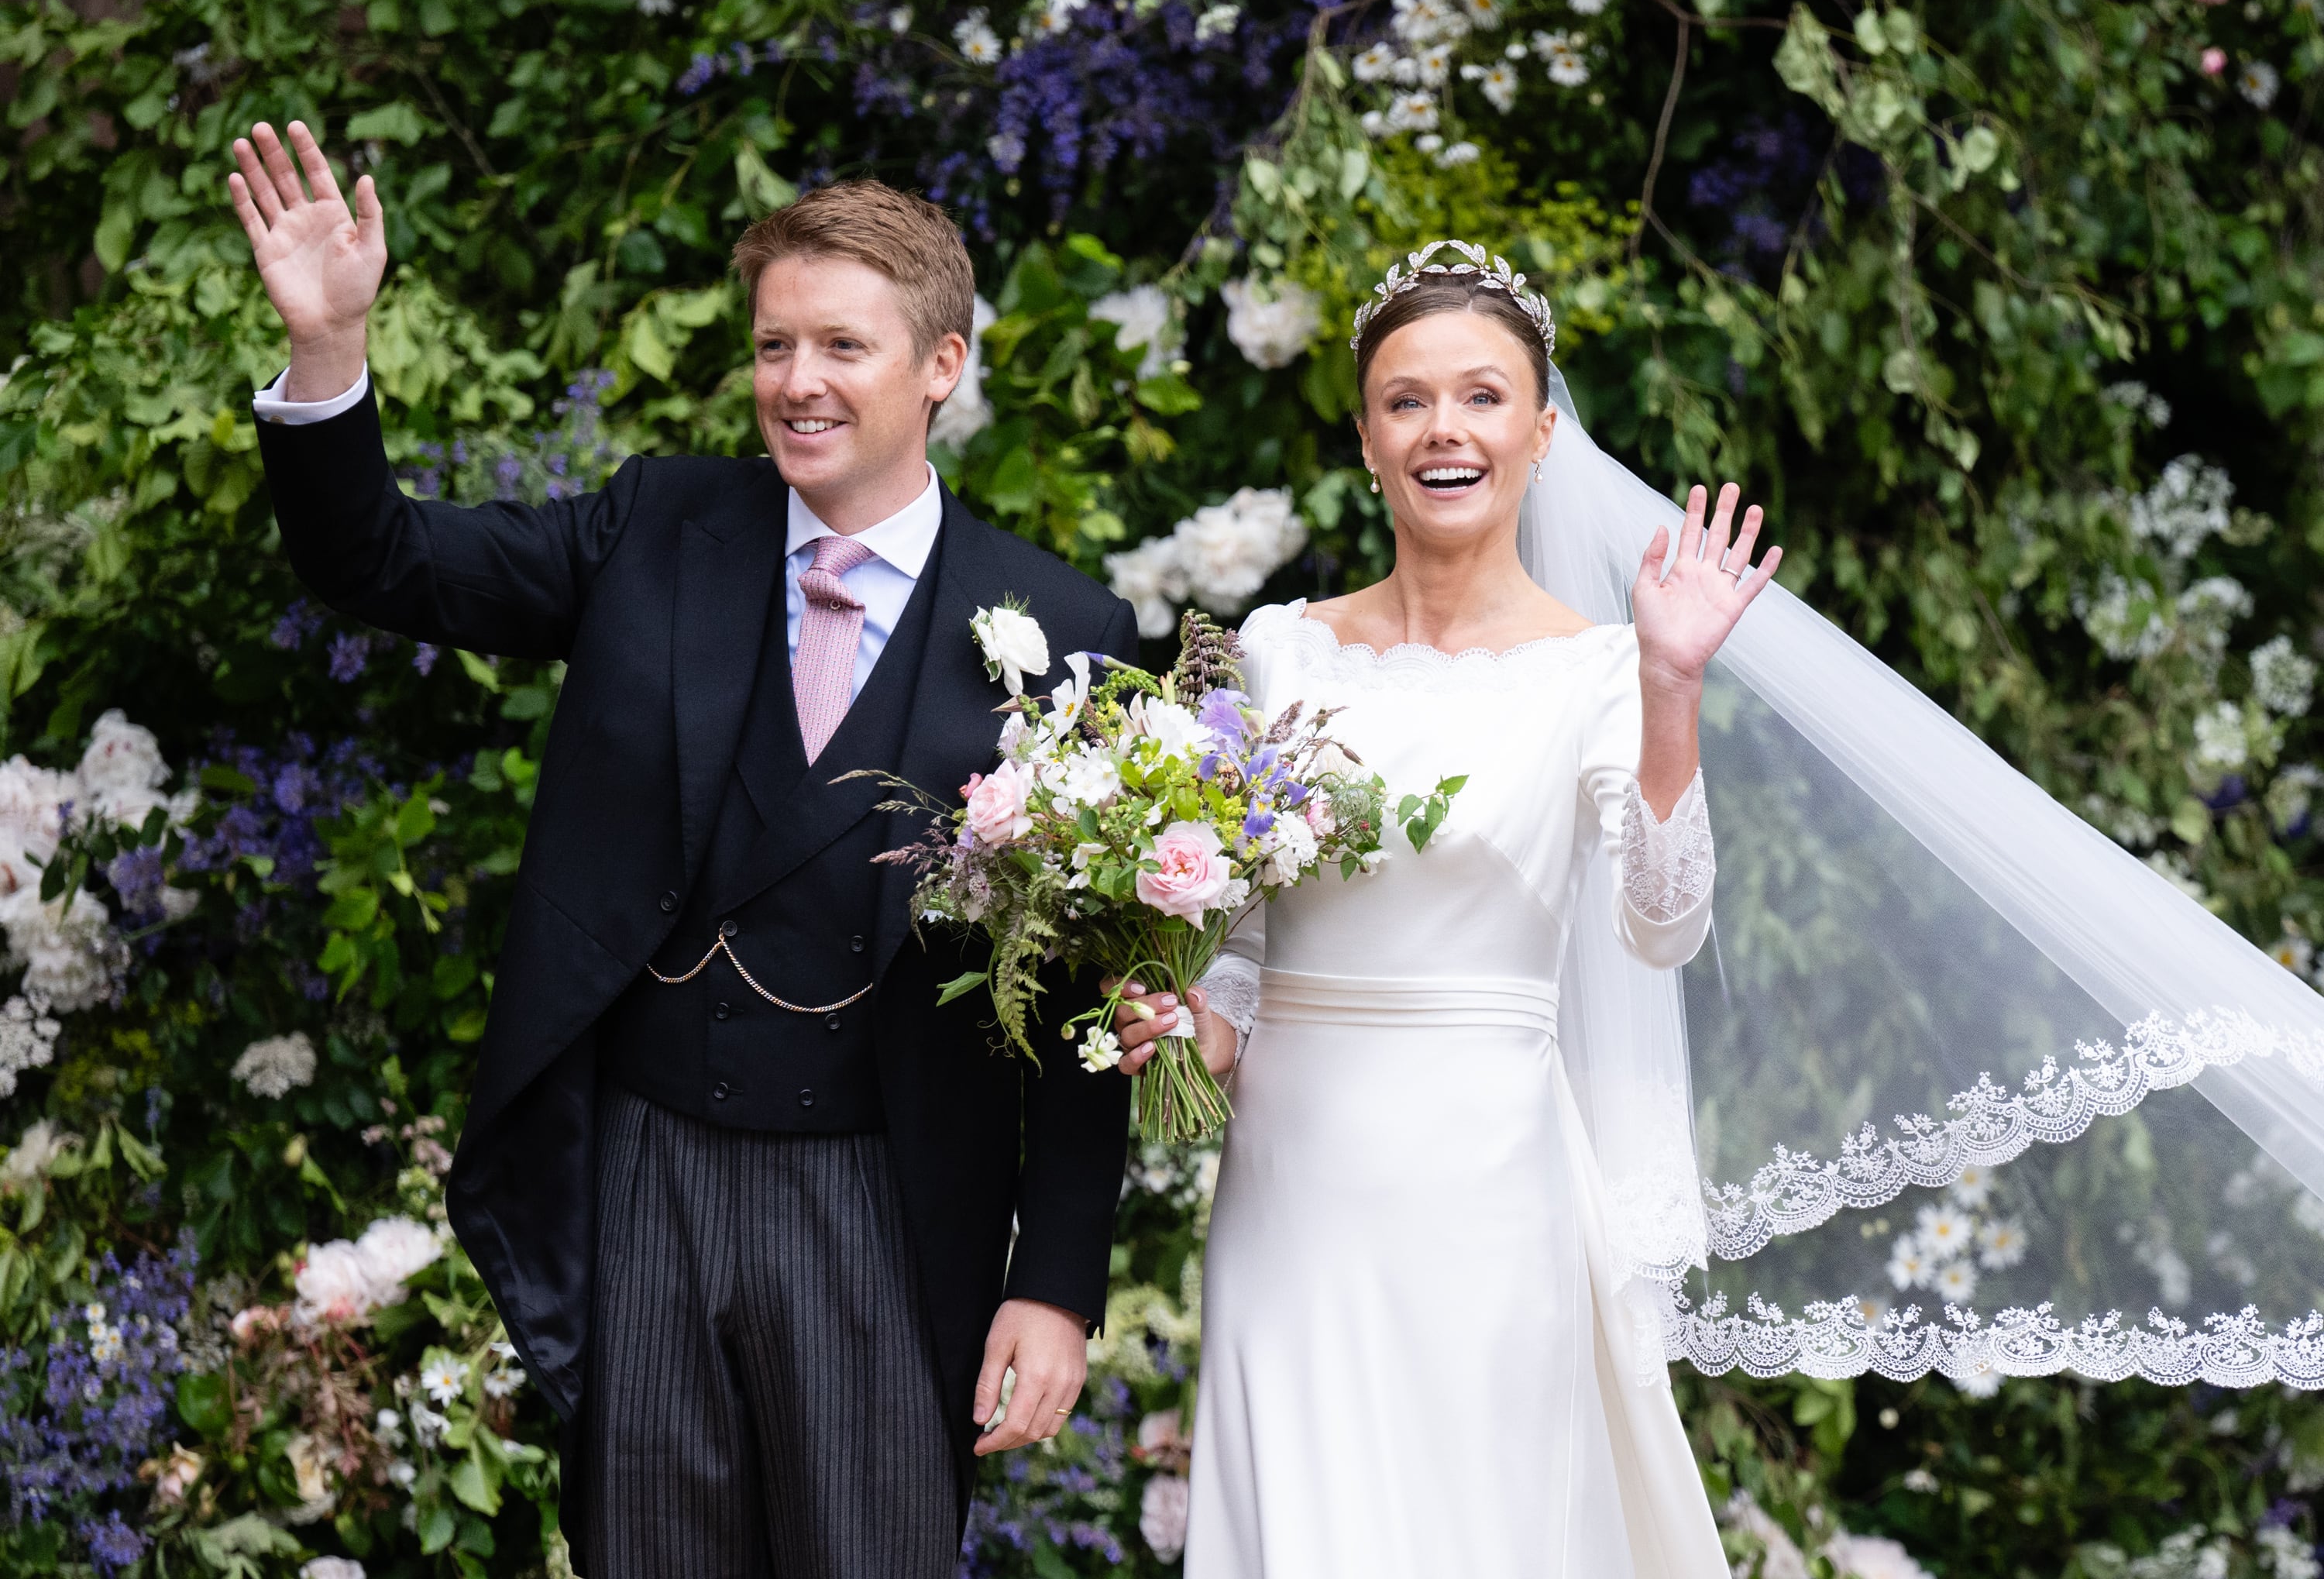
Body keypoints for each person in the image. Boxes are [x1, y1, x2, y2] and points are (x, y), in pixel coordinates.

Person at [228, 120, 1138, 1577]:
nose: (798, 384)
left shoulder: (1066, 635)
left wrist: (1059, 1284)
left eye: (841, 347)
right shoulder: (660, 525)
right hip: (647, 1172)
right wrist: (329, 348)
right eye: (775, 348)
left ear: (942, 367)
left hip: (884, 1202)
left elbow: (1094, 1002)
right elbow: (379, 561)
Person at [1111, 242, 1772, 1576]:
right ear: (1366, 440)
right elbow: (1242, 951)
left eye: (1481, 396)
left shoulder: (1598, 667)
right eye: (1407, 401)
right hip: (1291, 1194)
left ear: (1539, 428)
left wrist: (1672, 686)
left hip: (1487, 1189)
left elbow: (1663, 923)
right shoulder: (1278, 651)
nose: (1444, 429)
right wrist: (1187, 1032)